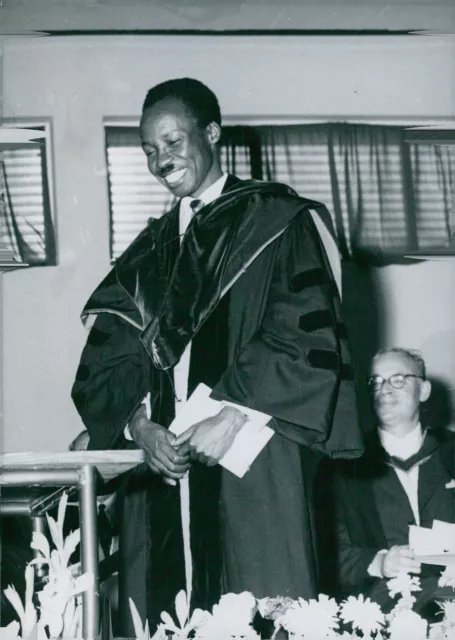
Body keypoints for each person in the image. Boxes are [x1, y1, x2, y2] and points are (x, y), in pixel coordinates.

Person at [71, 77, 363, 635]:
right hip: (160, 469)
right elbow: (107, 362)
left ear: (212, 133)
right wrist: (139, 428)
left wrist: (233, 414)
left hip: (251, 456)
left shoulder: (276, 223)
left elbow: (304, 335)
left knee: (258, 601)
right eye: (150, 150)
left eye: (174, 142)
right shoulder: (145, 253)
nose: (162, 160)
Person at [320, 348, 455, 617]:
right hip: (381, 611)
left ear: (424, 390)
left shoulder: (451, 451)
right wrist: (378, 561)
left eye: (398, 379)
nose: (384, 389)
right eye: (376, 381)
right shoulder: (345, 465)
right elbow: (328, 551)